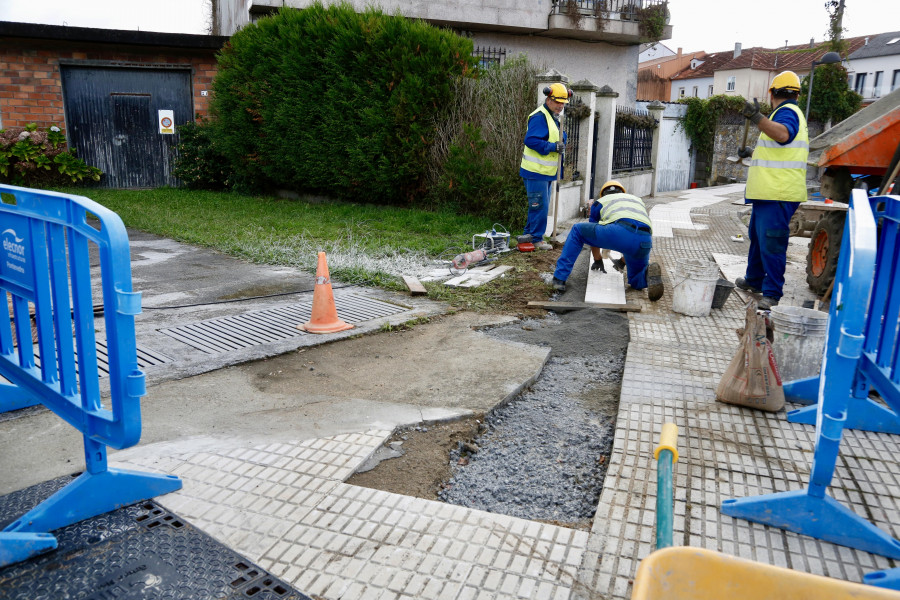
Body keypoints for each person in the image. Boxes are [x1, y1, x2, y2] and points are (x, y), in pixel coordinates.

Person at [736, 70, 809, 310]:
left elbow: (783, 135)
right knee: (757, 239)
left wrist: (757, 117)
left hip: (778, 193)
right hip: (769, 193)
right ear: (796, 93)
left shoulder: (787, 113)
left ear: (773, 93)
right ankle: (754, 280)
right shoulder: (785, 112)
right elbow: (778, 152)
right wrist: (751, 154)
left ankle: (772, 292)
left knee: (772, 243)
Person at [550, 180, 663, 301]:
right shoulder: (636, 200)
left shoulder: (600, 202)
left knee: (578, 230)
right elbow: (633, 235)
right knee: (636, 281)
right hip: (644, 240)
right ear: (622, 192)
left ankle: (559, 279)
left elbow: (593, 236)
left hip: (619, 233)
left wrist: (597, 259)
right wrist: (622, 262)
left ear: (603, 194)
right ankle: (646, 275)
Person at [519, 82, 570, 251]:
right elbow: (531, 140)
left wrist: (561, 142)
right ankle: (536, 239)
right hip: (535, 172)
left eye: (563, 103)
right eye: (557, 102)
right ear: (548, 99)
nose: (560, 106)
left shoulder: (553, 117)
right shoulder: (540, 116)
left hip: (545, 172)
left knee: (538, 205)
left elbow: (555, 137)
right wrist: (552, 147)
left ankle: (528, 236)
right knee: (539, 206)